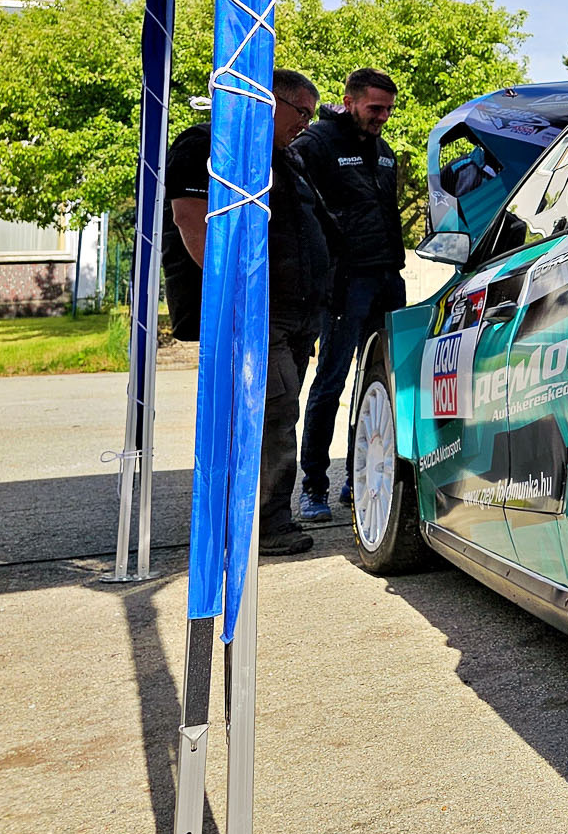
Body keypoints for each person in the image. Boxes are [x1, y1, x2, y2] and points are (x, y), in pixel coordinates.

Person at [162, 70, 334, 558]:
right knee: (272, 413)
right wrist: (238, 296)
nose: (306, 124)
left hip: (298, 313)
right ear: (271, 102)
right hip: (259, 310)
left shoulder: (287, 157)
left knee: (279, 410)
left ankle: (264, 516)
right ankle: (264, 524)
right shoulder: (207, 143)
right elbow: (191, 220)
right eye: (301, 113)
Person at [294, 66, 406, 523]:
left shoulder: (385, 152)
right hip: (343, 282)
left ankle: (358, 478)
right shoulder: (316, 144)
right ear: (350, 101)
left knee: (383, 384)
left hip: (387, 278)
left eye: (388, 110)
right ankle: (313, 486)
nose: (382, 117)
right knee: (331, 382)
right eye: (375, 108)